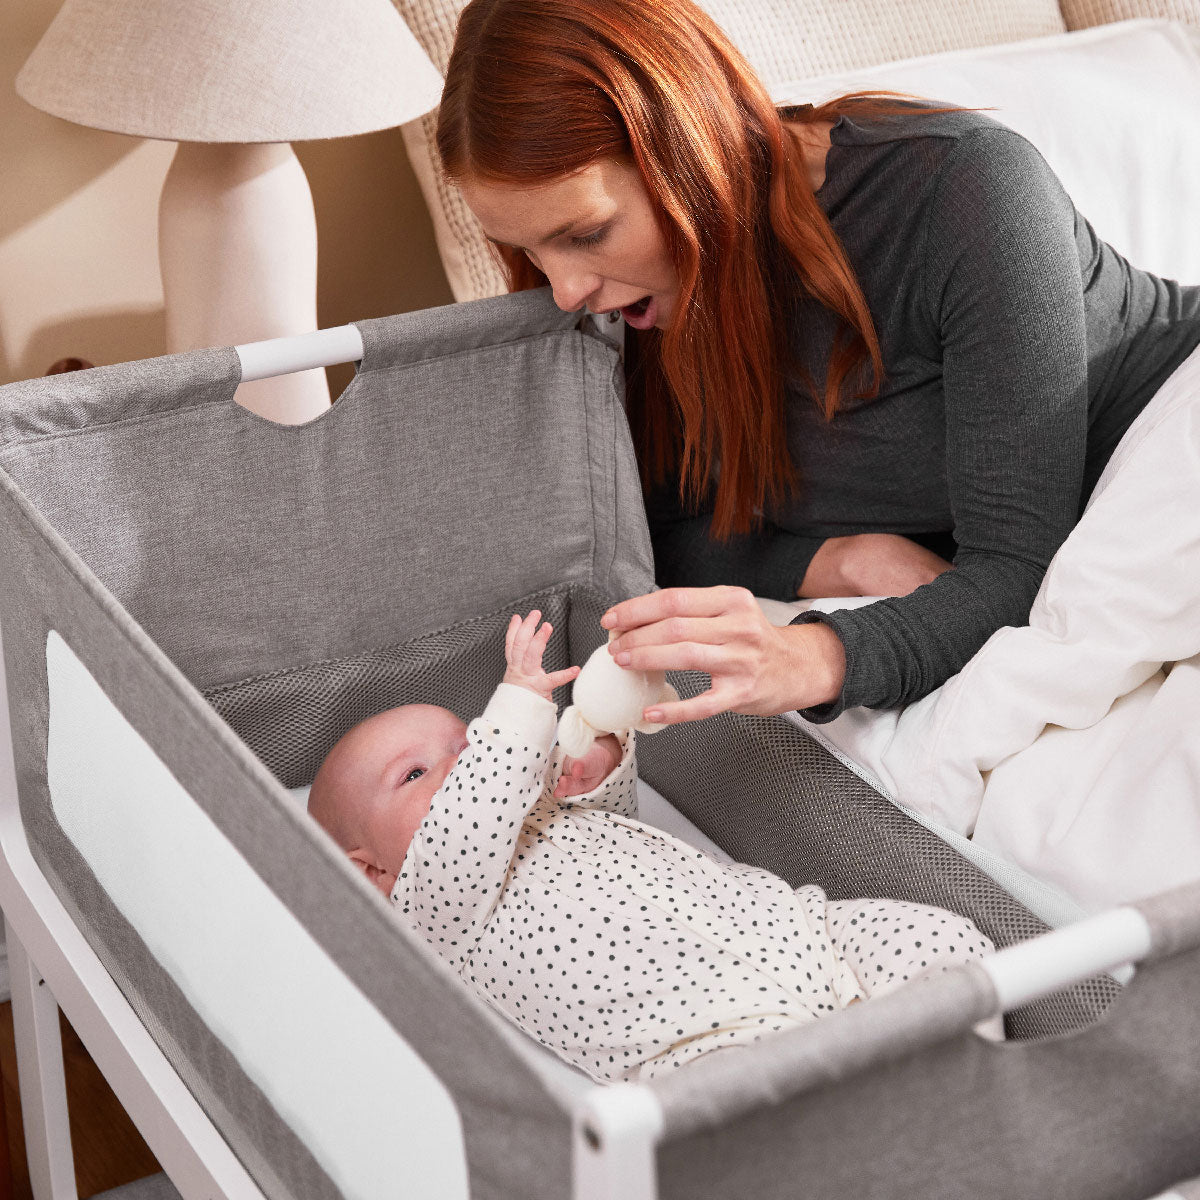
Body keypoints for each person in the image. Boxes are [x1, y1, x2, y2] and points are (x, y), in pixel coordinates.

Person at [434, 0, 1200, 728]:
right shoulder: (636, 303)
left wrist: (814, 656)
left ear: (685, 151)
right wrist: (843, 562)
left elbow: (1016, 570)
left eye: (588, 232)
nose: (566, 290)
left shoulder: (963, 190)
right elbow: (650, 530)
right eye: (525, 247)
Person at [308, 611, 996, 1082]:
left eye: (465, 740)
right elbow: (471, 817)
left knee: (948, 943)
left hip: (794, 929)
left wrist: (601, 766)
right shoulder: (432, 904)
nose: (466, 760)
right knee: (780, 1104)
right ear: (371, 874)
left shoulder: (535, 806)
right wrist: (514, 705)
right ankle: (903, 1125)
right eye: (419, 773)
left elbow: (613, 820)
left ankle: (963, 1077)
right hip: (701, 1029)